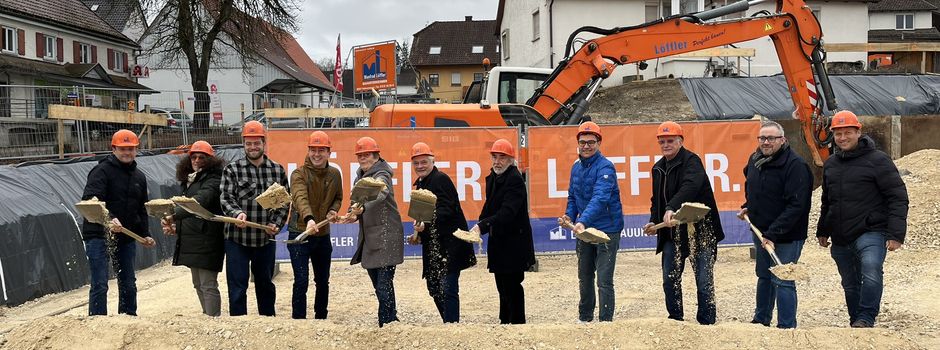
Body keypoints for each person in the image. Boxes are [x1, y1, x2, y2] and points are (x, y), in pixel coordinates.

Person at [817, 110, 909, 328]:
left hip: (871, 231)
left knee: (870, 271)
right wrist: (823, 230)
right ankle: (856, 321)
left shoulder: (878, 160)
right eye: (838, 134)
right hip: (840, 235)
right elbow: (827, 200)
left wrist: (896, 234)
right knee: (850, 284)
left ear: (858, 132)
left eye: (847, 132)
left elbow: (898, 197)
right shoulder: (831, 164)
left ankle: (866, 318)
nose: (843, 138)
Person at [642, 121, 724, 325]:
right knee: (670, 280)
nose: (666, 145)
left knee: (704, 281)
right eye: (662, 141)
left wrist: (671, 207)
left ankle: (706, 323)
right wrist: (654, 219)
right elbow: (656, 200)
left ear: (680, 141)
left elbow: (691, 186)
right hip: (672, 233)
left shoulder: (692, 161)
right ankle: (675, 321)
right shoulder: (658, 168)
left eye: (670, 140)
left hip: (701, 230)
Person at [737, 121, 813, 328]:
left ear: (783, 140)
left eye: (771, 138)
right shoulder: (755, 160)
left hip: (787, 235)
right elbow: (753, 188)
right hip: (761, 232)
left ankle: (786, 327)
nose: (766, 142)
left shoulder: (795, 166)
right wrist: (748, 206)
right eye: (762, 138)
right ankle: (761, 320)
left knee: (783, 278)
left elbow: (797, 206)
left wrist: (773, 233)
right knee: (764, 276)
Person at [81, 129, 157, 316]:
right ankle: (98, 322)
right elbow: (91, 200)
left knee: (128, 282)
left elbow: (141, 209)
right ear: (113, 148)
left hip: (125, 236)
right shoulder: (101, 171)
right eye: (122, 149)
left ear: (136, 150)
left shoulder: (139, 176)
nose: (127, 152)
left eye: (130, 149)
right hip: (99, 234)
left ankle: (128, 319)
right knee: (100, 283)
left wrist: (144, 234)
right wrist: (109, 218)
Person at [219, 120, 288, 317]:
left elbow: (283, 202)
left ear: (264, 143)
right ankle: (240, 325)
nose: (252, 147)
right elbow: (226, 198)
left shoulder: (277, 170)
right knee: (238, 285)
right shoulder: (232, 169)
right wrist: (236, 214)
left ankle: (267, 322)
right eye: (248, 143)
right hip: (237, 239)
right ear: (243, 144)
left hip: (264, 239)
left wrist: (275, 224)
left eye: (256, 143)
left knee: (265, 284)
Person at [562, 122, 624, 323]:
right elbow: (572, 196)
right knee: (585, 276)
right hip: (584, 229)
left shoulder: (606, 167)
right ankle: (585, 318)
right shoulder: (576, 167)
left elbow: (600, 197)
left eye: (591, 142)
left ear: (599, 143)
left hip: (607, 230)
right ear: (578, 144)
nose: (586, 146)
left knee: (604, 280)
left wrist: (583, 220)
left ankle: (605, 322)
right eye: (582, 142)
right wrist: (570, 216)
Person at [409, 142, 477, 323]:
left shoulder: (440, 179)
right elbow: (421, 215)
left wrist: (426, 222)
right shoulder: (421, 184)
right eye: (416, 163)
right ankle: (448, 321)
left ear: (432, 161)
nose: (420, 166)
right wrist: (418, 234)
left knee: (448, 288)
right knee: (433, 285)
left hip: (450, 244)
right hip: (435, 245)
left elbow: (448, 209)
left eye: (424, 162)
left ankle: (452, 326)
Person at [470, 139, 536, 324]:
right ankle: (504, 321)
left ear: (510, 159)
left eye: (502, 157)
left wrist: (482, 226)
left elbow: (507, 213)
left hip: (514, 242)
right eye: (494, 157)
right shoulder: (493, 177)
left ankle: (516, 323)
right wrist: (479, 225)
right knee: (502, 285)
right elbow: (489, 206)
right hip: (499, 240)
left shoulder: (514, 180)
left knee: (512, 285)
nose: (497, 161)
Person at [340, 136, 404, 327]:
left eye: (367, 155)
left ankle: (387, 323)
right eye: (360, 155)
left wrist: (363, 208)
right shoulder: (360, 176)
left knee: (383, 285)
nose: (363, 158)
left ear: (376, 155)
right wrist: (352, 213)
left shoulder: (382, 174)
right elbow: (356, 202)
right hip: (371, 239)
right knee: (378, 286)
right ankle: (391, 319)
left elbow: (381, 192)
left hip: (387, 236)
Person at [162, 140, 226, 317]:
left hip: (207, 238)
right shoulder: (191, 179)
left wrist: (173, 216)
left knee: (208, 284)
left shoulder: (214, 179)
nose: (197, 160)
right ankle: (207, 316)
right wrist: (177, 227)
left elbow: (198, 203)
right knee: (198, 283)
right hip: (193, 238)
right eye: (194, 157)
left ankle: (213, 319)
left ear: (210, 160)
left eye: (202, 157)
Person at [287, 131, 343, 320]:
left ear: (329, 152)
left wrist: (333, 210)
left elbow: (338, 197)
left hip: (322, 235)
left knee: (322, 281)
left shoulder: (335, 174)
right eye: (313, 150)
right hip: (300, 233)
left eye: (321, 150)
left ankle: (321, 318)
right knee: (301, 281)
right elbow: (299, 198)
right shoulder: (298, 174)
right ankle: (299, 322)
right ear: (308, 151)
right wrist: (309, 218)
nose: (317, 154)